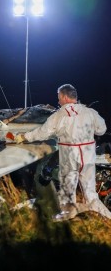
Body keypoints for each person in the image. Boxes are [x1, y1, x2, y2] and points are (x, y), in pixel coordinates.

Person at [14, 84, 108, 221]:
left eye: (59, 98)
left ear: (64, 97)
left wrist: (24, 137)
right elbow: (101, 130)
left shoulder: (59, 115)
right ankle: (105, 216)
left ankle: (66, 217)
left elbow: (43, 133)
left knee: (68, 193)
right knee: (90, 192)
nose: (58, 101)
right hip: (88, 157)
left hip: (70, 157)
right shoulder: (90, 112)